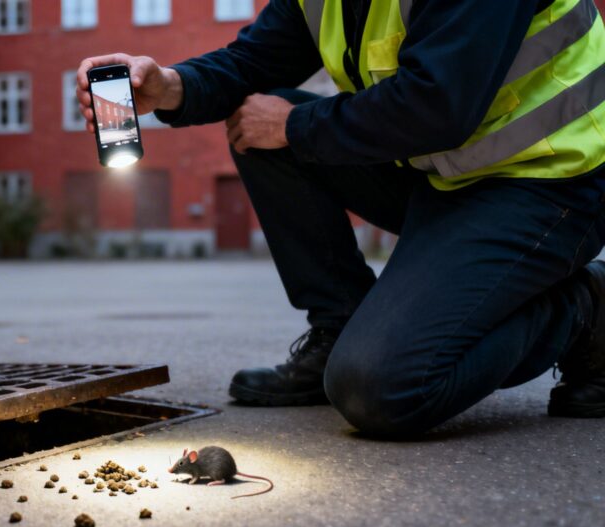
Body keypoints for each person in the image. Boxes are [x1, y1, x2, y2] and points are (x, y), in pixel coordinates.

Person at [76, 0, 605, 437]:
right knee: (258, 127)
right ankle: (339, 325)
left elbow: (439, 103)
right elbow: (252, 61)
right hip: (444, 176)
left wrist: (296, 125)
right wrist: (170, 86)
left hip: (549, 180)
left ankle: (586, 309)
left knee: (381, 389)